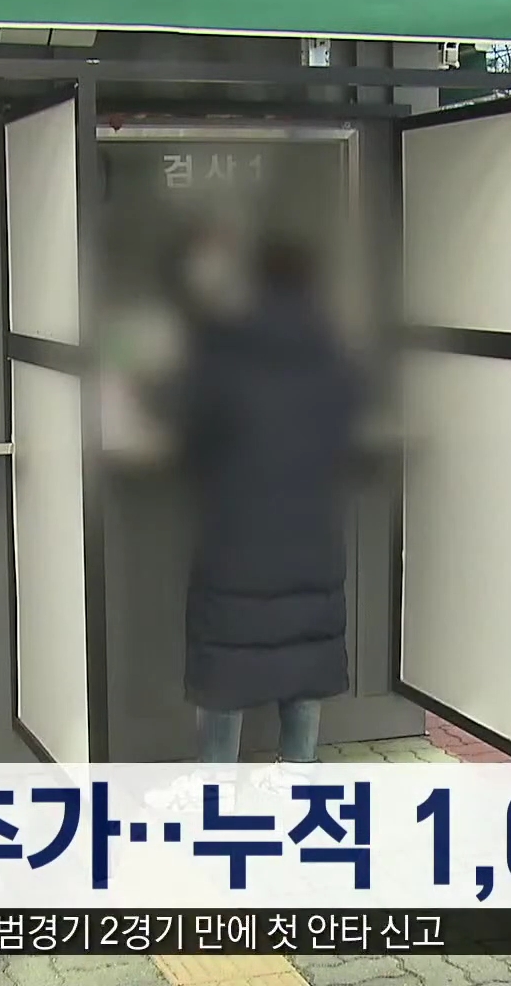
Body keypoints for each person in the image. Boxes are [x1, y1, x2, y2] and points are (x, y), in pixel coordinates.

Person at [156, 233, 361, 798]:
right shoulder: (332, 355)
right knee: (306, 643)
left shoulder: (225, 352)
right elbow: (349, 437)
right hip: (312, 528)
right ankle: (298, 775)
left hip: (238, 532)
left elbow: (191, 439)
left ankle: (216, 782)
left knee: (228, 652)